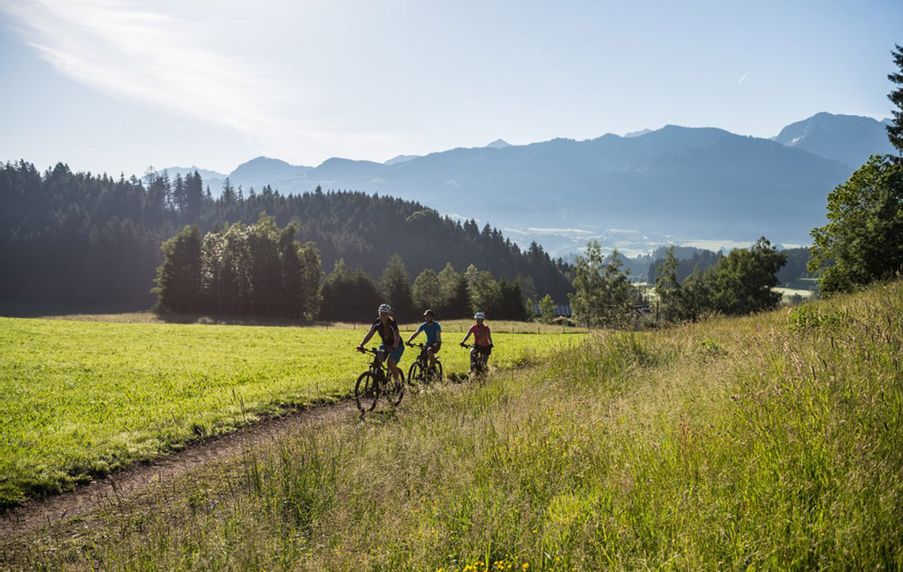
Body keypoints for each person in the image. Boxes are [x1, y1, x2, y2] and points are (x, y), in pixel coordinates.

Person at [357, 303, 404, 383]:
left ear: (388, 314)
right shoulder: (377, 322)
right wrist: (361, 345)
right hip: (385, 344)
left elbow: (397, 337)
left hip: (397, 345)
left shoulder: (392, 323)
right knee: (378, 358)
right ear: (379, 313)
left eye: (385, 314)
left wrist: (393, 347)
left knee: (390, 363)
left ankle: (397, 383)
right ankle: (379, 379)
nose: (383, 315)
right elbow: (370, 334)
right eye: (381, 313)